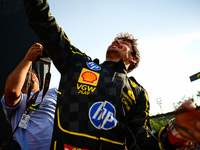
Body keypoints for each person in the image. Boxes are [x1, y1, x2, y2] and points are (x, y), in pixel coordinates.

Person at [23, 0, 200, 149]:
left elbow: (139, 143)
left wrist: (175, 134)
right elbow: (42, 21)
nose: (116, 41)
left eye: (124, 43)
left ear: (133, 59)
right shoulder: (77, 62)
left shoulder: (137, 92)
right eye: (116, 39)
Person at [1, 43, 58, 150]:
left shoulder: (53, 92)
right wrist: (28, 59)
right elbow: (12, 91)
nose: (30, 74)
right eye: (26, 74)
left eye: (32, 73)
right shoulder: (20, 99)